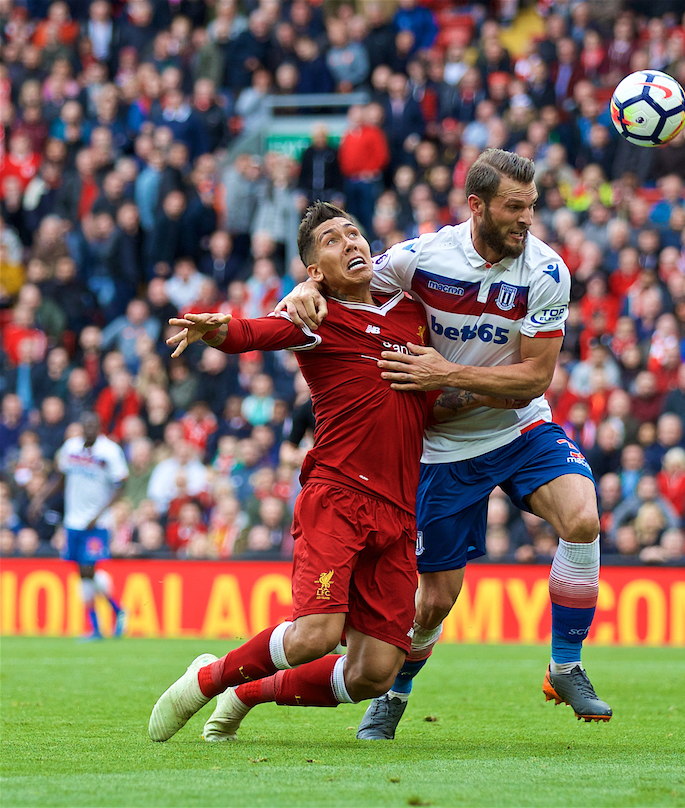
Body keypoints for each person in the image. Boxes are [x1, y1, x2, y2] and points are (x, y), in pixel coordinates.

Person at [277, 149, 610, 739]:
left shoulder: (547, 271)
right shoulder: (421, 258)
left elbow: (535, 378)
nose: (526, 220)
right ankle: (395, 694)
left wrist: (445, 373)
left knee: (582, 516)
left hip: (520, 427)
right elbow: (342, 277)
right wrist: (301, 291)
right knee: (433, 602)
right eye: (514, 207)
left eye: (531, 207)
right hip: (442, 449)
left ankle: (566, 665)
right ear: (476, 206)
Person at [148, 203, 511, 742]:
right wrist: (220, 329)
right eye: (332, 241)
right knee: (314, 635)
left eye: (354, 234)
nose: (350, 243)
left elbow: (432, 398)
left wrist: (503, 388)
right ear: (314, 270)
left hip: (398, 511)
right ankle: (205, 679)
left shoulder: (412, 312)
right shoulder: (316, 318)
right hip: (338, 497)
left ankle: (245, 691)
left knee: (373, 674)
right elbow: (257, 331)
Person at [43, 412, 128, 639]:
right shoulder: (70, 448)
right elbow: (61, 477)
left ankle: (102, 623)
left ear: (99, 426)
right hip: (74, 520)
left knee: (88, 568)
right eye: (86, 424)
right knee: (83, 572)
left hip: (97, 522)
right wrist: (41, 497)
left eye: (94, 424)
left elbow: (121, 486)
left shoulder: (110, 451)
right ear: (81, 426)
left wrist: (100, 513)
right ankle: (112, 614)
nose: (90, 428)